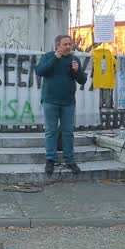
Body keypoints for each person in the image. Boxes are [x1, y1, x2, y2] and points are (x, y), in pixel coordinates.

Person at [35, 35, 87, 175]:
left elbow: (82, 80)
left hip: (68, 102)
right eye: (65, 44)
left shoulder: (74, 59)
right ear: (57, 45)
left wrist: (77, 71)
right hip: (50, 101)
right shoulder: (48, 57)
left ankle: (69, 160)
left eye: (70, 44)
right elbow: (40, 71)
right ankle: (50, 160)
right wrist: (55, 59)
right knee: (51, 131)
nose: (69, 47)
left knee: (68, 132)